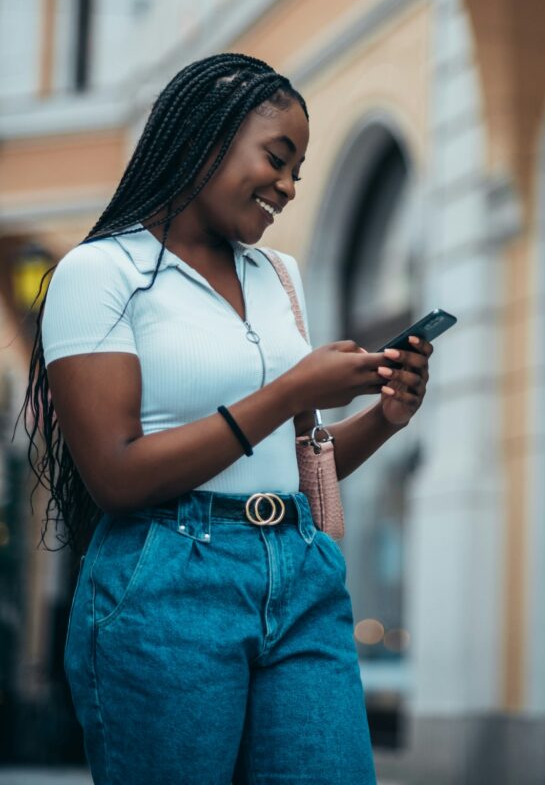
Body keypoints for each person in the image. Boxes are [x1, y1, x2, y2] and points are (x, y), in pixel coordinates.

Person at [23, 53, 432, 785]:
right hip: (166, 580)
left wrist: (385, 418)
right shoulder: (101, 273)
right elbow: (116, 475)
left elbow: (295, 461)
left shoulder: (279, 277)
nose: (286, 187)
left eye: (298, 172)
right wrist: (289, 388)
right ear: (206, 138)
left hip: (301, 572)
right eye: (276, 159)